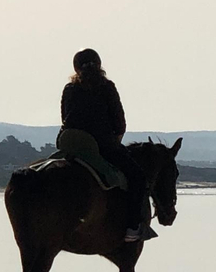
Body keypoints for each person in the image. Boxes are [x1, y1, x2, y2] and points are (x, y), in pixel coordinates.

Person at [60, 48, 152, 243]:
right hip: (103, 145)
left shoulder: (70, 89)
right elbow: (119, 123)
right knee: (138, 178)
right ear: (99, 65)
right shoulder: (107, 87)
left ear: (76, 68)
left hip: (72, 145)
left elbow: (65, 118)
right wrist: (115, 141)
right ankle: (132, 228)